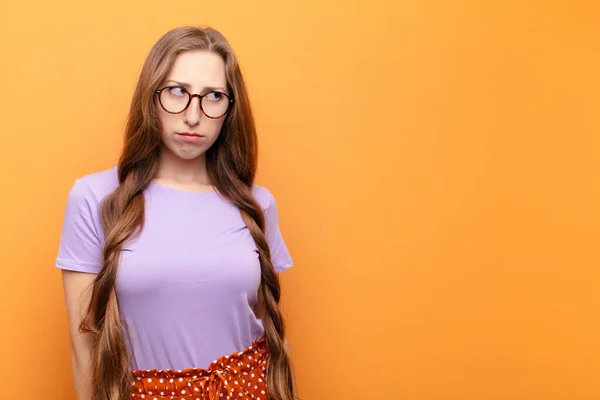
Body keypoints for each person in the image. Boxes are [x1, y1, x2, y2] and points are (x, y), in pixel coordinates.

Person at [55, 25, 297, 400]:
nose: (193, 115)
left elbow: (273, 337)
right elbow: (84, 345)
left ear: (230, 109)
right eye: (178, 92)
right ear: (151, 96)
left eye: (213, 96)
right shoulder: (96, 198)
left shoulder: (257, 204)